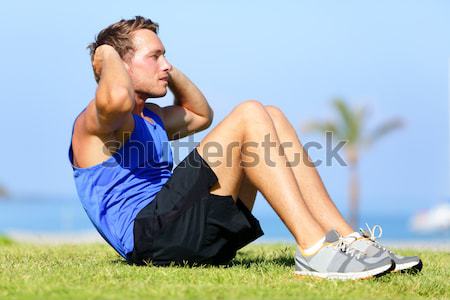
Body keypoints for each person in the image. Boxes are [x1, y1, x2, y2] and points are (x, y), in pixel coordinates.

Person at [68, 16, 421, 280]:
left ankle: (348, 240)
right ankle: (315, 249)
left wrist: (160, 68)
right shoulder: (98, 125)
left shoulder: (154, 118)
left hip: (185, 235)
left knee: (271, 116)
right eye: (155, 57)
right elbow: (116, 95)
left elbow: (200, 113)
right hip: (149, 239)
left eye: (166, 56)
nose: (167, 65)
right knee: (250, 113)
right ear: (120, 64)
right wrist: (105, 52)